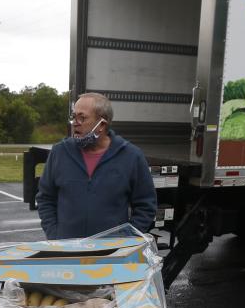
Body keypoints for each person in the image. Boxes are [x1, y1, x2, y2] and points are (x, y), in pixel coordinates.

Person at [36, 92, 157, 239]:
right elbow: (45, 198)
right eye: (74, 117)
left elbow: (146, 206)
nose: (75, 123)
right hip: (67, 250)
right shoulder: (59, 152)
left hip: (112, 254)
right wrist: (55, 235)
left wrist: (125, 240)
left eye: (82, 117)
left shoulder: (131, 156)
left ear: (102, 125)